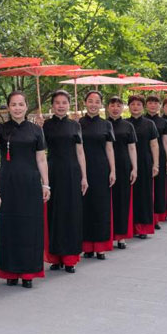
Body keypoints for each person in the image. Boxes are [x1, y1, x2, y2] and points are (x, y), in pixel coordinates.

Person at [0, 91, 49, 288]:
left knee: (30, 226)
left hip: (30, 182)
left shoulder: (36, 130)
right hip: (7, 182)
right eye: (13, 105)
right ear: (8, 107)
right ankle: (10, 271)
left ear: (26, 106)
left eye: (21, 104)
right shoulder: (2, 128)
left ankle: (28, 272)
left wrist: (46, 183)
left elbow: (41, 158)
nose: (17, 108)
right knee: (9, 226)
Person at [42, 90, 88, 272]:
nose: (61, 106)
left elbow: (80, 152)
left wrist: (84, 176)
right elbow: (39, 151)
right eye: (57, 102)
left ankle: (70, 259)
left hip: (72, 172)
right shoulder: (45, 125)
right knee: (54, 213)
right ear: (52, 106)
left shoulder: (75, 125)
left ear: (69, 105)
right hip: (53, 171)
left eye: (64, 102)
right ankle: (56, 257)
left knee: (71, 213)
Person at [79, 91, 115, 260]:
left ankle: (100, 247)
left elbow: (109, 149)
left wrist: (113, 170)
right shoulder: (77, 124)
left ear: (101, 104)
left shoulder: (106, 124)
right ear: (85, 103)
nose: (93, 104)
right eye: (90, 101)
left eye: (97, 101)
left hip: (101, 168)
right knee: (85, 207)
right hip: (82, 169)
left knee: (101, 207)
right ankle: (87, 246)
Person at [126, 95, 159, 238]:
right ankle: (128, 226)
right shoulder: (124, 123)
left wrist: (156, 164)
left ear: (143, 107)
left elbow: (154, 145)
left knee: (144, 195)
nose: (135, 107)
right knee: (129, 195)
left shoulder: (149, 124)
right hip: (127, 162)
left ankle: (142, 228)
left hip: (145, 161)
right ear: (128, 106)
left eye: (138, 104)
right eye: (133, 104)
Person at [107, 96, 137, 249]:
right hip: (104, 166)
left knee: (122, 200)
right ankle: (107, 235)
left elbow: (132, 148)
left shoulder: (128, 126)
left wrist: (134, 168)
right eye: (112, 105)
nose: (115, 108)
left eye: (118, 106)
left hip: (124, 165)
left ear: (123, 108)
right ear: (108, 107)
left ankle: (121, 236)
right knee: (107, 201)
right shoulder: (103, 125)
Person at [145, 96, 167, 228]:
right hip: (143, 156)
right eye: (150, 103)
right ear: (146, 105)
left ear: (159, 106)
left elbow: (165, 142)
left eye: (155, 103)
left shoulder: (163, 122)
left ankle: (156, 218)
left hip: (159, 156)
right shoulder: (142, 120)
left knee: (159, 187)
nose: (153, 106)